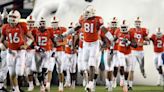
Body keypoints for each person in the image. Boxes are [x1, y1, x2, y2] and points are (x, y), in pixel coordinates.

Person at [62, 5, 114, 92]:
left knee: (91, 63)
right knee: (84, 66)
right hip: (85, 44)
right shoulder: (82, 19)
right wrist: (65, 34)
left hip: (94, 44)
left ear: (92, 13)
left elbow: (104, 29)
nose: (85, 15)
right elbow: (75, 29)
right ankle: (89, 81)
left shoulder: (97, 19)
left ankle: (90, 83)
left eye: (87, 13)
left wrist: (110, 37)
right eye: (85, 13)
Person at [0, 10, 34, 92]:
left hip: (20, 51)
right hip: (11, 52)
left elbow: (31, 38)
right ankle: (16, 89)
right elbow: (2, 40)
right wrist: (5, 45)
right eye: (11, 18)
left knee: (20, 72)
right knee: (12, 73)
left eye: (14, 19)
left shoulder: (22, 25)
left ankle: (16, 87)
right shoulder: (5, 27)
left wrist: (26, 45)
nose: (12, 23)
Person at [115, 20, 137, 92]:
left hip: (128, 53)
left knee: (127, 70)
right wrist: (111, 47)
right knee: (122, 65)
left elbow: (135, 45)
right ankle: (122, 79)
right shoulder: (118, 31)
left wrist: (129, 42)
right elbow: (113, 39)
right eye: (122, 27)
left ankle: (125, 81)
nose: (123, 29)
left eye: (125, 27)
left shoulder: (131, 33)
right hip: (120, 51)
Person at [129, 17, 149, 90]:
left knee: (142, 67)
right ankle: (130, 85)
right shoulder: (131, 30)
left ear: (140, 23)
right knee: (132, 68)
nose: (137, 24)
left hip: (141, 52)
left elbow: (148, 41)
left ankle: (143, 72)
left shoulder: (143, 30)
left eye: (139, 22)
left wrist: (143, 43)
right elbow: (129, 39)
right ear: (134, 23)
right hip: (133, 51)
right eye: (136, 22)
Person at [50, 16, 67, 92]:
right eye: (53, 23)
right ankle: (47, 85)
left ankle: (61, 85)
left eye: (55, 23)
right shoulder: (48, 30)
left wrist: (58, 44)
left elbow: (65, 42)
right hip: (51, 51)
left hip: (60, 52)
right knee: (49, 69)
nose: (54, 24)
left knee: (60, 70)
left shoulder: (62, 30)